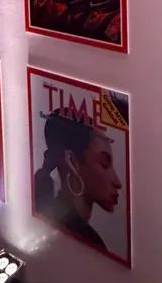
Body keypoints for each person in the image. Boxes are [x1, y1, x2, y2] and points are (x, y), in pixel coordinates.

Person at [33, 108, 122, 253]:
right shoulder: (91, 241)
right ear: (72, 162)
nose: (118, 182)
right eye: (104, 164)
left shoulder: (44, 210)